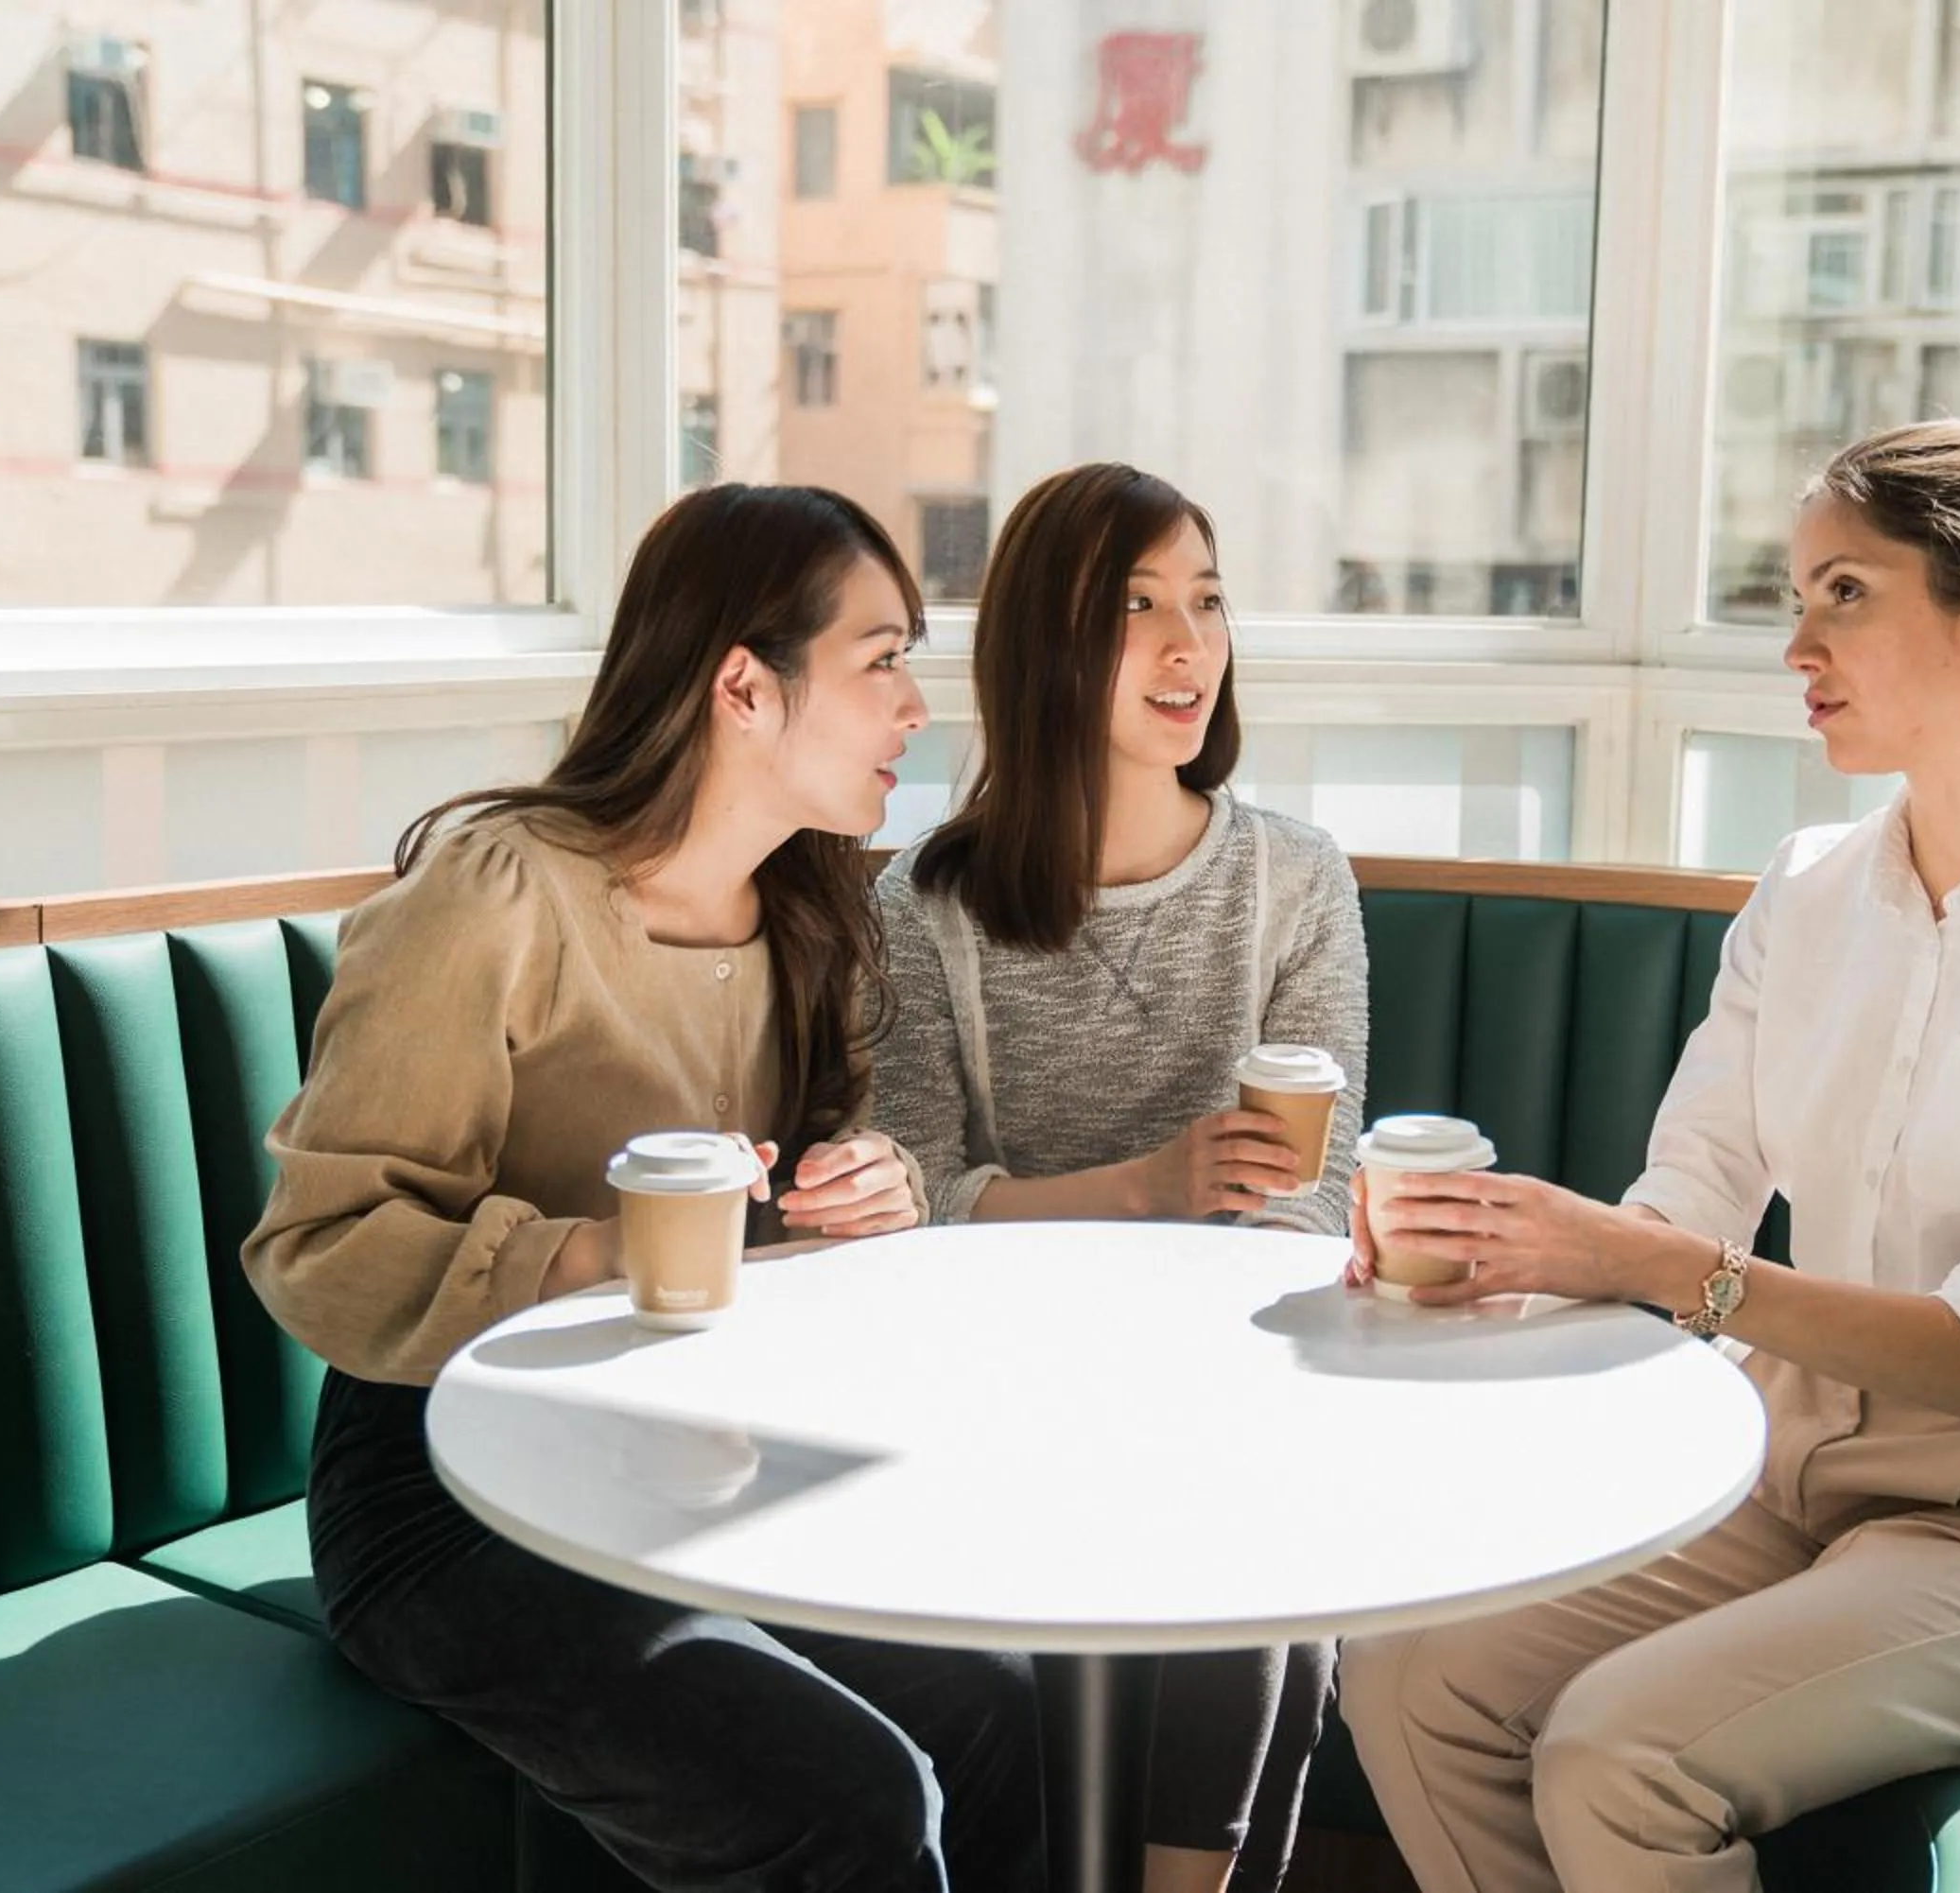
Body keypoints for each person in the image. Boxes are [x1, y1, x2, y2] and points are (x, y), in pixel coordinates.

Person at [1337, 418, 1960, 1893]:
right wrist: (1491, 1271)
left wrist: (1663, 1266)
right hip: (1783, 1456)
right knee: (1409, 1674)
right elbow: (1684, 1200)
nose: (1798, 647)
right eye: (1795, 599)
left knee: (1618, 1755)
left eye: (1846, 593)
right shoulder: (1808, 889)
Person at [243, 484, 1043, 1893]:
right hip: (447, 1489)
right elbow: (316, 1245)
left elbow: (790, 1210)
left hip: (697, 1453)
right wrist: (603, 1257)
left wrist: (872, 1191)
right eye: (880, 661)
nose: (917, 708)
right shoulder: (493, 901)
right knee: (852, 1800)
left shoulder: (813, 911)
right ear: (744, 686)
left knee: (991, 1695)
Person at [871, 461, 1368, 1893]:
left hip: (1235, 1361)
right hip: (998, 1375)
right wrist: (1146, 1184)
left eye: (1206, 601)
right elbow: (917, 1198)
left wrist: (1194, 1294)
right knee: (1280, 1563)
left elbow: (1316, 1196)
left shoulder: (1294, 878)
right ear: (1048, 643)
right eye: (1137, 607)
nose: (1188, 643)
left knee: (1275, 1553)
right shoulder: (925, 904)